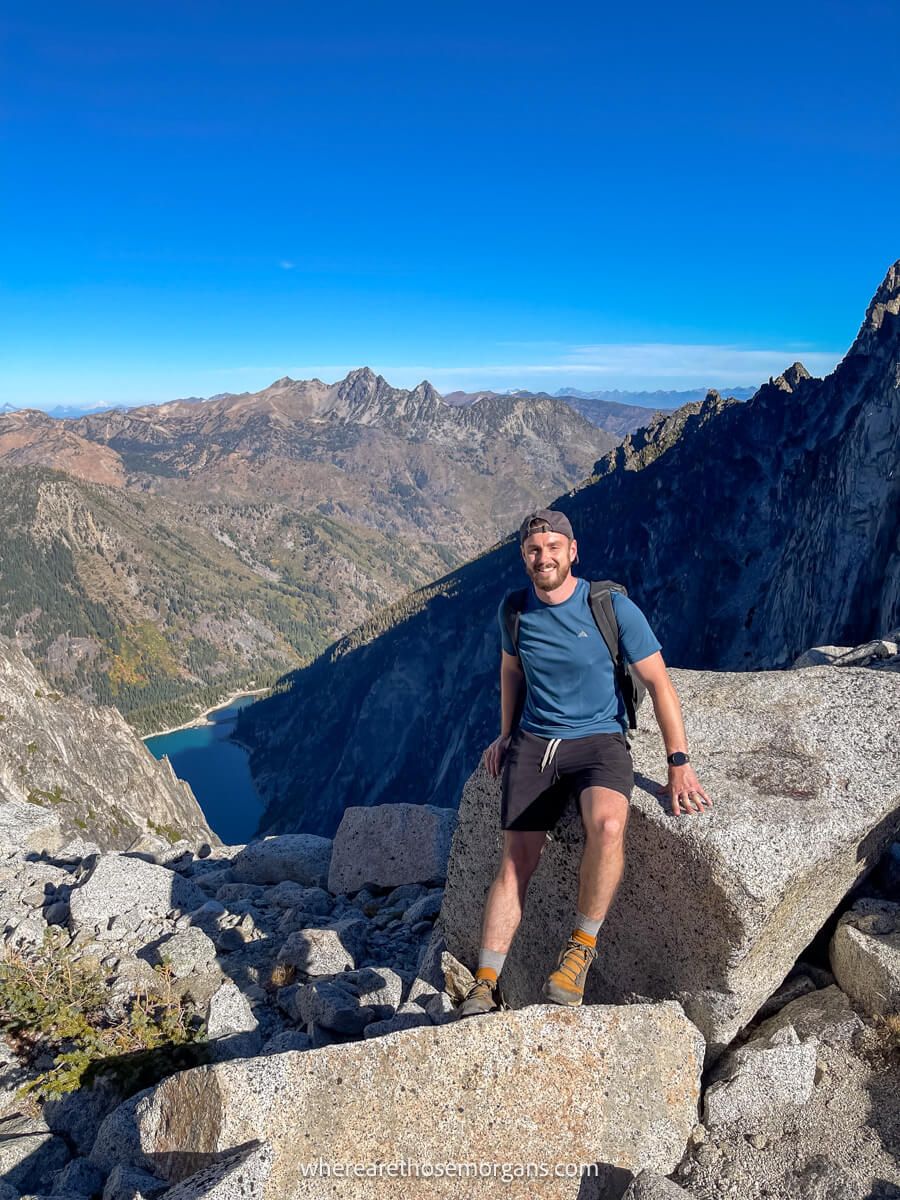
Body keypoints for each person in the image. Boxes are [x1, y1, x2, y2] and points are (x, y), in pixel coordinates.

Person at [455, 507, 711, 1018]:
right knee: (516, 861)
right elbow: (511, 671)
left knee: (609, 825)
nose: (543, 556)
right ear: (523, 558)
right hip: (537, 743)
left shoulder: (610, 607)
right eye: (533, 550)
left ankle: (579, 952)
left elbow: (659, 683)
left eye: (553, 548)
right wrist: (506, 735)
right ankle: (484, 984)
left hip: (599, 742)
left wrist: (677, 762)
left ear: (573, 552)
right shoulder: (515, 611)